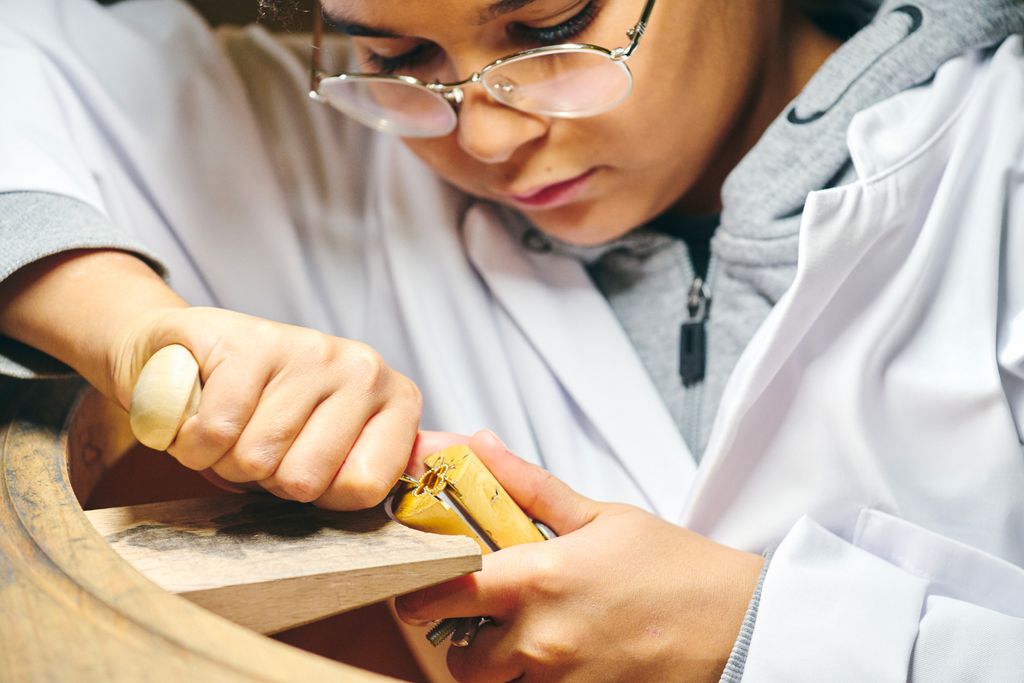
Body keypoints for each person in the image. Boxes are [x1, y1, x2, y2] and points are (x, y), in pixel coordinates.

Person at [1, 0, 1022, 680]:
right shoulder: (320, 161)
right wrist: (135, 327)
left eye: (548, 26)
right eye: (398, 59)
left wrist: (761, 634)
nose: (485, 137)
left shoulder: (998, 169)